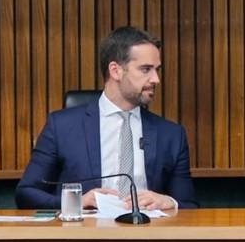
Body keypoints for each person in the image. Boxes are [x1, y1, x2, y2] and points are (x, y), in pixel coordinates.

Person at [15, 26, 197, 210]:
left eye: (157, 70)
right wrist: (76, 202)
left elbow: (189, 204)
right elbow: (26, 193)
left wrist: (169, 202)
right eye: (146, 69)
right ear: (115, 71)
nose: (156, 79)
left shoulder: (172, 135)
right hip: (86, 227)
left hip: (147, 226)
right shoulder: (61, 127)